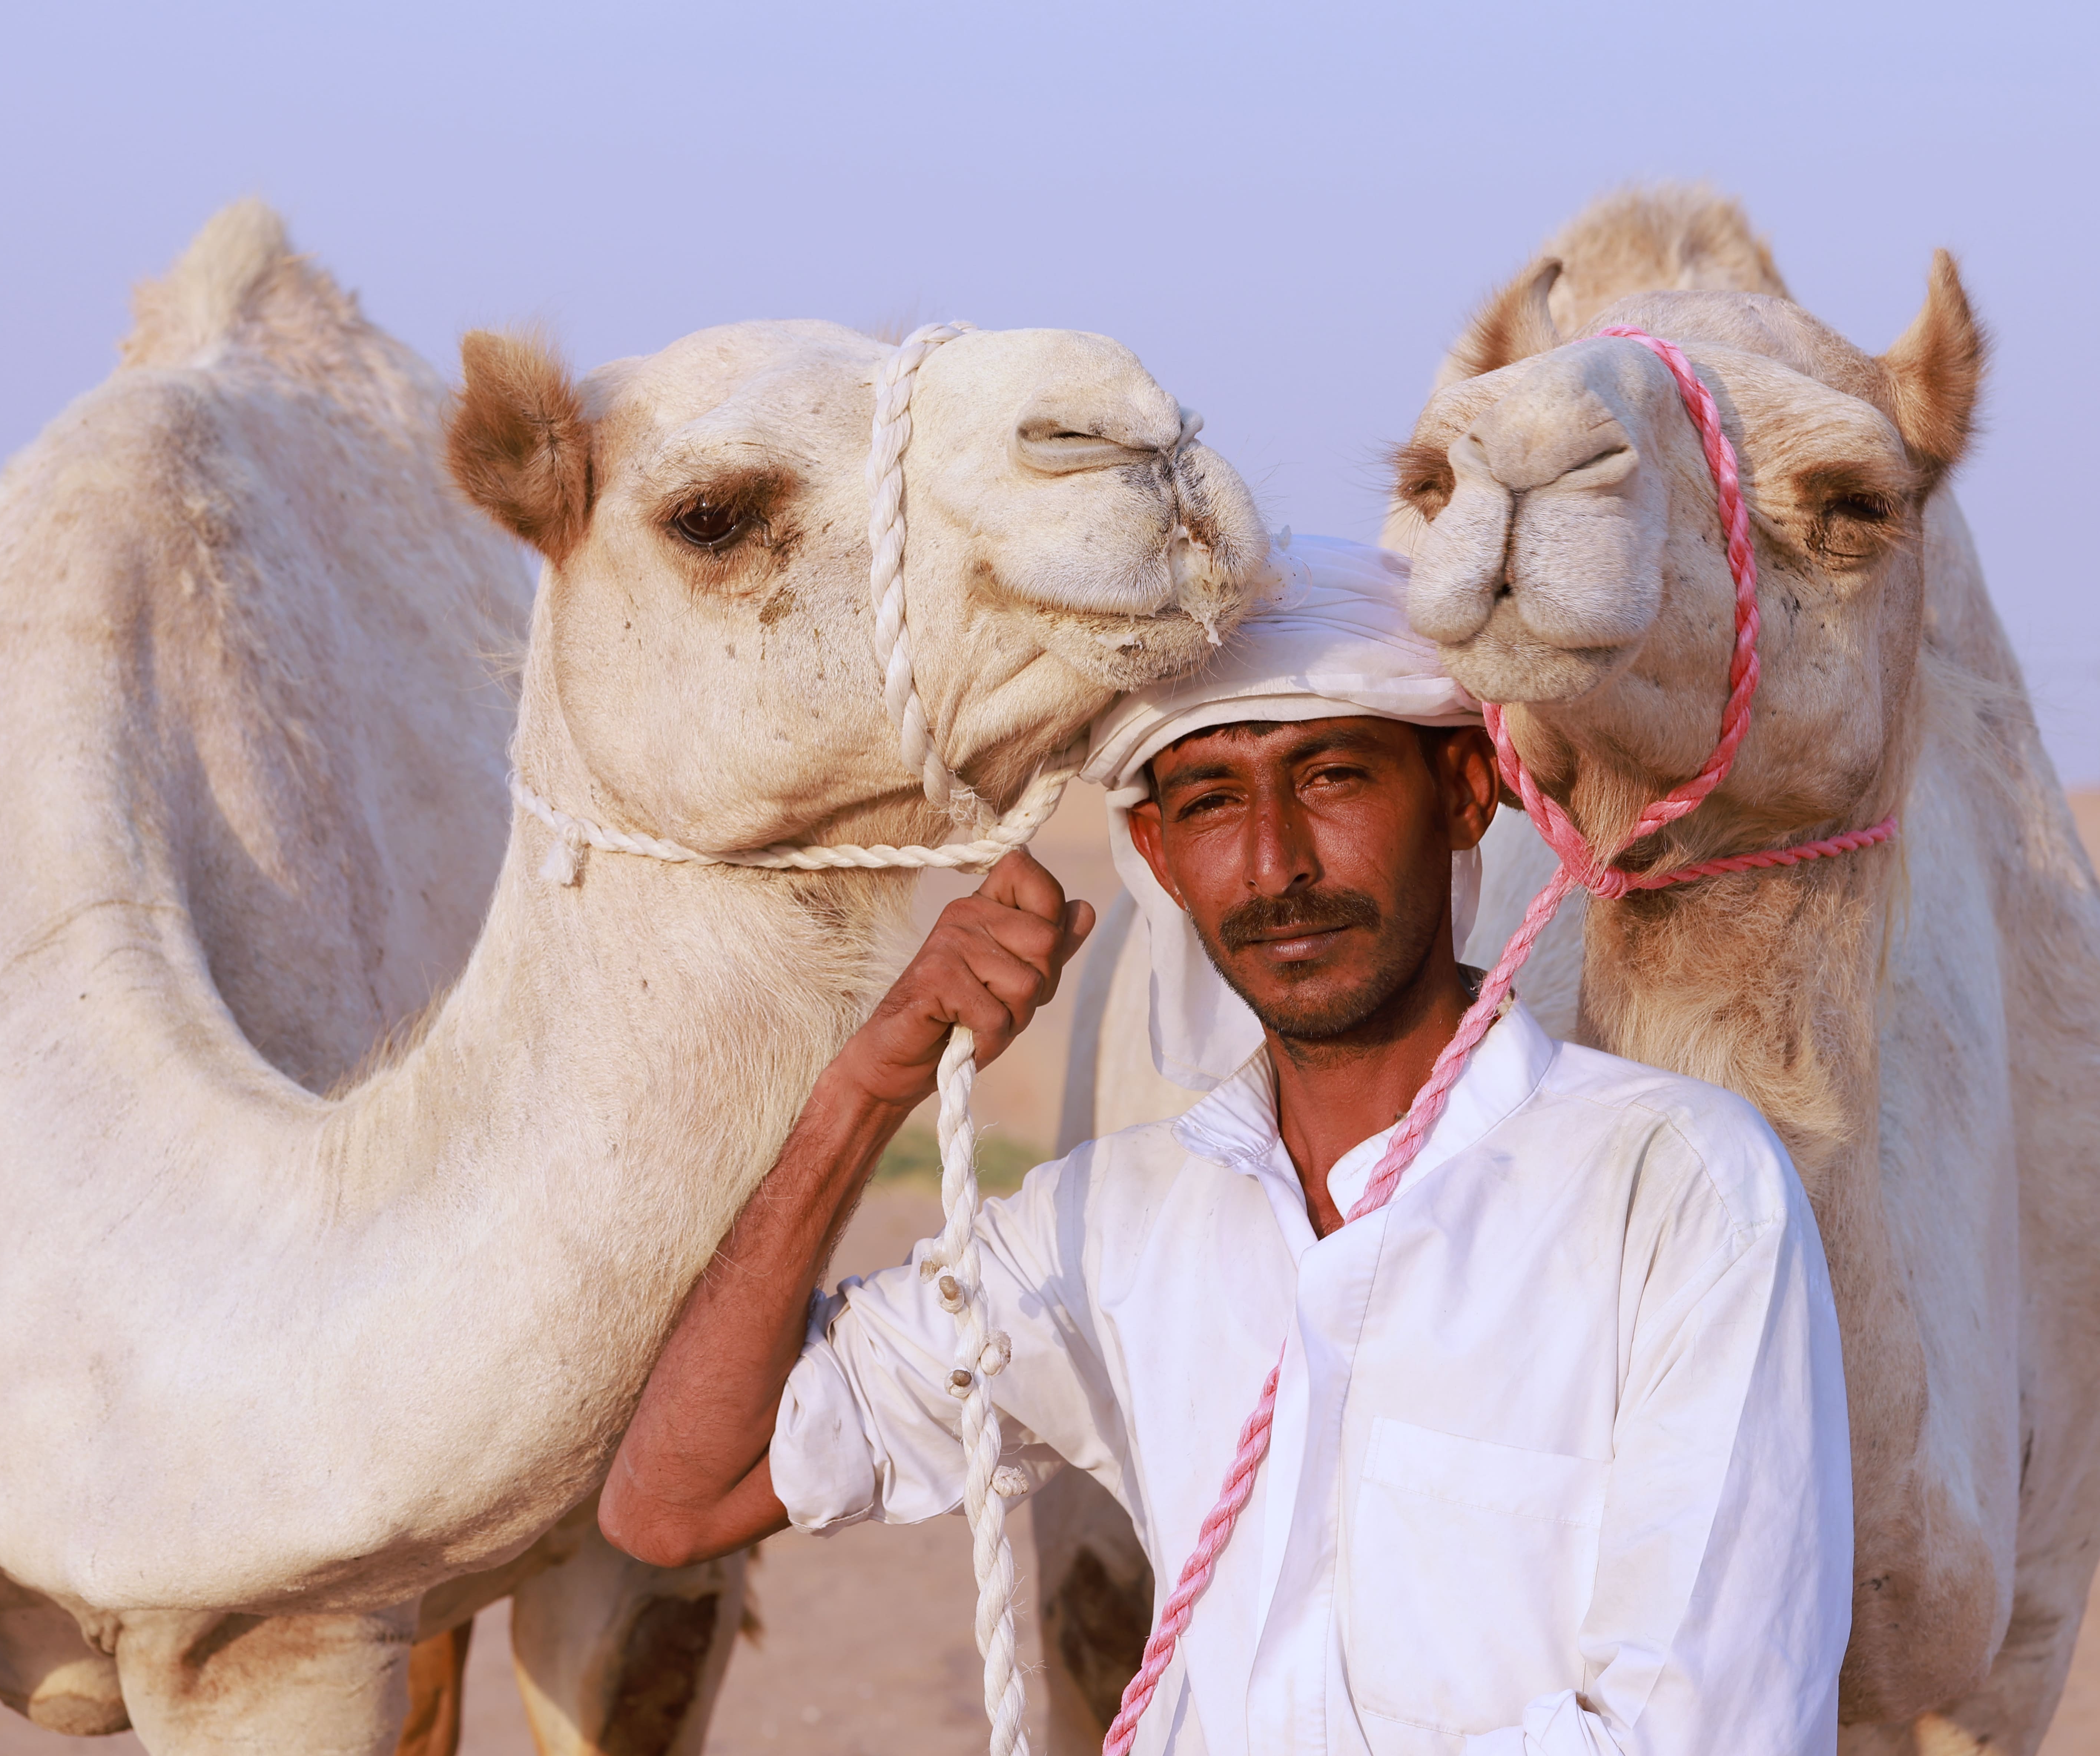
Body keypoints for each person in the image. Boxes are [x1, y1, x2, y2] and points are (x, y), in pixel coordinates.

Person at [600, 537, 1853, 1754]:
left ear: (1466, 794)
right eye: (1208, 802)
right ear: (1156, 854)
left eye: (1333, 779)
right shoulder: (1115, 1227)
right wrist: (865, 1093)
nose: (1274, 866)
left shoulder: (1668, 1188)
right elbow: (674, 1500)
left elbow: (1711, 1726)